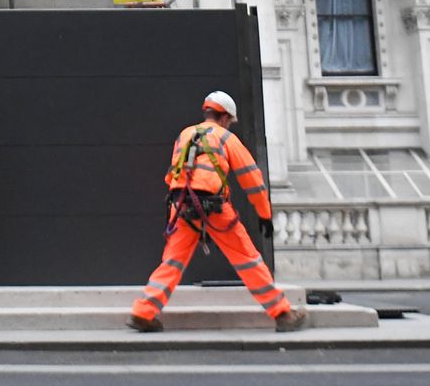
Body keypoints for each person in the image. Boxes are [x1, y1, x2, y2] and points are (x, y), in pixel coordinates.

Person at [128, 91, 307, 333]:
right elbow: (252, 179)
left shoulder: (185, 135)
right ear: (225, 118)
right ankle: (283, 314)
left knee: (172, 262)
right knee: (247, 259)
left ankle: (143, 312)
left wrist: (174, 213)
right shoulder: (226, 138)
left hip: (182, 207)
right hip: (214, 207)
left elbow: (175, 175)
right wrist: (264, 213)